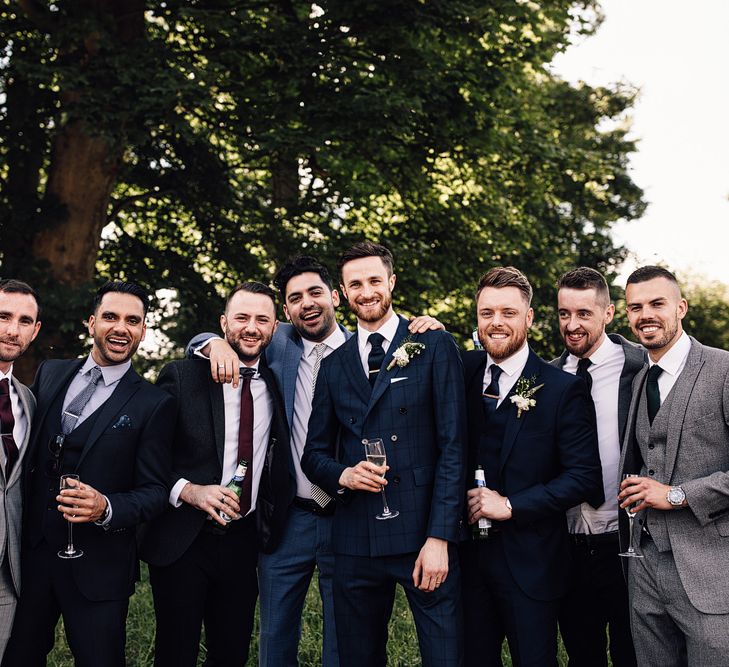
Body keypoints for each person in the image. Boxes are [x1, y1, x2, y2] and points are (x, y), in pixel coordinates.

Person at [186, 256, 444, 667]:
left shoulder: (367, 347)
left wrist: (426, 324)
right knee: (275, 630)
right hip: (290, 515)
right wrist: (209, 342)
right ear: (285, 313)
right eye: (294, 298)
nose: (307, 303)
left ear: (336, 297)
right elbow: (233, 332)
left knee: (343, 635)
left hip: (349, 514)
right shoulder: (278, 346)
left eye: (315, 293)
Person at [302, 242, 466, 667]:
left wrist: (440, 538)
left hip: (420, 533)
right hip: (355, 538)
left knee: (444, 655)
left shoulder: (432, 343)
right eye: (356, 283)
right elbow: (313, 454)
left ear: (391, 282)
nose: (367, 291)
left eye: (375, 280)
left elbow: (453, 447)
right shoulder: (334, 364)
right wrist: (343, 475)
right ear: (342, 292)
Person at [3, 280, 174, 667]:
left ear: (143, 331)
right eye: (111, 317)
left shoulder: (154, 403)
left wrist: (106, 507)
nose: (121, 328)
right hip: (31, 558)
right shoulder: (50, 373)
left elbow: (156, 490)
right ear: (91, 321)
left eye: (133, 321)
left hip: (100, 567)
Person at [140, 281, 291, 667]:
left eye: (262, 319)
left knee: (232, 651)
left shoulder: (279, 381)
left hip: (244, 541)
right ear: (224, 324)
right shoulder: (182, 376)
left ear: (275, 328)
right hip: (183, 538)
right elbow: (148, 460)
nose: (251, 327)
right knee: (176, 651)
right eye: (242, 318)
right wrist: (191, 491)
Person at [461, 266, 602, 667]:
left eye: (508, 312)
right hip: (467, 563)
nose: (496, 323)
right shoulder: (463, 371)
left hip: (532, 565)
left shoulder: (561, 388)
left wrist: (511, 506)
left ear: (529, 317)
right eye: (487, 313)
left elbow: (583, 476)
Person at [618, 266, 729, 666]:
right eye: (635, 307)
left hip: (711, 572)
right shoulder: (637, 380)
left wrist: (678, 494)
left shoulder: (723, 370)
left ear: (681, 307)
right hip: (644, 565)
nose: (645, 314)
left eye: (656, 303)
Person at [553, 267, 643, 667]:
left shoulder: (641, 367)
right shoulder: (548, 377)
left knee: (632, 652)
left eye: (584, 314)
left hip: (627, 544)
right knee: (581, 653)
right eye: (563, 314)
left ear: (608, 314)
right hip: (569, 545)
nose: (572, 325)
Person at [0, 279, 41, 661]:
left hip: (7, 572)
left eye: (24, 321)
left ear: (35, 329)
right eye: (3, 317)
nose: (13, 330)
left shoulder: (27, 399)